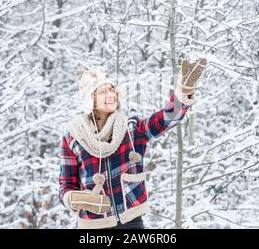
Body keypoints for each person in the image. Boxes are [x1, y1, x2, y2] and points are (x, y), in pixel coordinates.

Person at [58, 58, 207, 229]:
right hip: (92, 225)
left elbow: (165, 120)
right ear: (90, 100)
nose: (111, 95)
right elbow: (66, 184)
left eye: (112, 90)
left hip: (132, 222)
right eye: (102, 92)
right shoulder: (73, 137)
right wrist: (71, 198)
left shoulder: (131, 129)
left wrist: (183, 92)